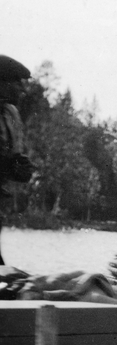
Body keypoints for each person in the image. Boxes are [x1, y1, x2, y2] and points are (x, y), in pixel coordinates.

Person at [1, 56, 34, 267]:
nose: (21, 90)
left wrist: (20, 168)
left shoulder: (10, 113)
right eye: (16, 83)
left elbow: (13, 154)